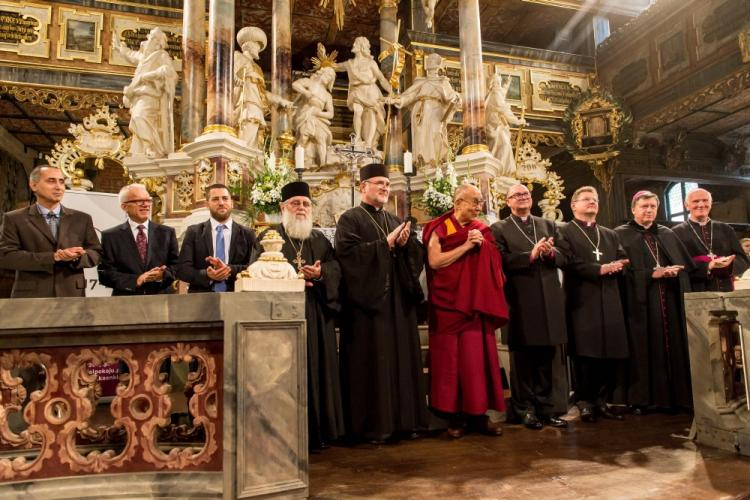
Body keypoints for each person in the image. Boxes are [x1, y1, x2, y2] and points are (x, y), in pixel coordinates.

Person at [335, 163, 427, 443]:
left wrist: (405, 244)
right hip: (369, 308)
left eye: (387, 185)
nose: (385, 188)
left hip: (398, 303)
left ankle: (405, 421)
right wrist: (383, 245)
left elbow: (414, 256)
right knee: (373, 363)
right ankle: (374, 426)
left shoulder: (392, 218)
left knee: (401, 360)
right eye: (379, 184)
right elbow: (346, 255)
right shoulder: (350, 219)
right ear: (362, 187)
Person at [251, 181, 344, 451]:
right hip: (281, 316)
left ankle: (319, 433)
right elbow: (255, 269)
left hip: (316, 313)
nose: (301, 208)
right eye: (295, 203)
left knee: (317, 371)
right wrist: (290, 278)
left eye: (305, 203)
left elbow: (336, 267)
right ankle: (282, 434)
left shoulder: (319, 239)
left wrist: (322, 273)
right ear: (283, 207)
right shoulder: (269, 238)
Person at [423, 183, 507, 438]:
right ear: (458, 202)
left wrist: (484, 247)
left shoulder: (481, 229)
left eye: (480, 202)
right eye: (474, 201)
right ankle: (455, 418)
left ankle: (479, 415)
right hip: (448, 306)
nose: (478, 207)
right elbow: (436, 261)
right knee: (450, 364)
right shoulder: (439, 226)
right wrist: (468, 247)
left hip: (474, 306)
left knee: (476, 361)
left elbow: (494, 261)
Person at [490, 183, 568, 430]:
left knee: (547, 357)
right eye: (516, 195)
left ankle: (547, 409)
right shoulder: (499, 228)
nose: (522, 198)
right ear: (507, 201)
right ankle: (525, 410)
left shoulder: (548, 225)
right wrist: (530, 255)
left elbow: (566, 255)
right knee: (523, 360)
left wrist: (551, 253)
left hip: (549, 299)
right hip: (520, 300)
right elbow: (498, 260)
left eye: (525, 194)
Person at [615, 191, 694, 412]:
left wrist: (677, 270)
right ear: (633, 209)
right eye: (644, 206)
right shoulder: (621, 234)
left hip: (669, 297)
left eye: (652, 206)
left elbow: (685, 265)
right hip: (640, 302)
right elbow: (622, 272)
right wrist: (651, 274)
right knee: (643, 347)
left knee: (674, 346)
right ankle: (643, 400)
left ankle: (678, 397)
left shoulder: (667, 233)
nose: (648, 210)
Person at [559, 186, 629, 423]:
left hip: (609, 299)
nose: (592, 203)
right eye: (586, 199)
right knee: (585, 354)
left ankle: (601, 400)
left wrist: (620, 265)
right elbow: (567, 261)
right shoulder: (565, 231)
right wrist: (599, 269)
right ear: (574, 205)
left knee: (608, 353)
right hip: (582, 299)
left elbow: (621, 256)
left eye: (595, 200)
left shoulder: (609, 234)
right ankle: (584, 401)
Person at [0, 165, 101, 298]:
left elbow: (96, 253)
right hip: (31, 296)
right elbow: (6, 256)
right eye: (51, 181)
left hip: (72, 294)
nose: (58, 187)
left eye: (61, 181)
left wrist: (77, 257)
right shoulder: (14, 218)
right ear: (34, 185)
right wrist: (53, 257)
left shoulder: (82, 219)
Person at [98, 183, 178, 295]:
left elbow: (177, 266)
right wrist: (137, 279)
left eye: (148, 200)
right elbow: (105, 274)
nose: (145, 205)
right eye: (139, 201)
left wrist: (163, 274)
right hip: (126, 300)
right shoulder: (110, 236)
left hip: (161, 299)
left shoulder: (167, 233)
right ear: (124, 206)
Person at [177, 184, 257, 293]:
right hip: (201, 299)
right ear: (207, 204)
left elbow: (255, 268)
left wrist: (229, 270)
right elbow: (183, 270)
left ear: (231, 203)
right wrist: (207, 274)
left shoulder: (248, 234)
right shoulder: (193, 232)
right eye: (215, 199)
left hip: (237, 298)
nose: (221, 203)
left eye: (225, 198)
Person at [112, 27, 177, 159]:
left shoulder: (161, 55)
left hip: (150, 95)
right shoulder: (144, 57)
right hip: (138, 95)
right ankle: (145, 147)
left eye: (151, 38)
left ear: (158, 43)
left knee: (139, 117)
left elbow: (170, 73)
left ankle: (149, 146)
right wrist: (119, 47)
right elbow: (131, 55)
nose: (147, 40)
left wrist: (146, 76)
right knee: (135, 120)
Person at [390, 53, 461, 167]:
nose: (429, 62)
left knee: (436, 133)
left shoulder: (443, 82)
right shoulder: (420, 81)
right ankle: (425, 162)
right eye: (429, 60)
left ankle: (436, 162)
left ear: (438, 64)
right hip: (421, 112)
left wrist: (456, 97)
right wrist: (397, 101)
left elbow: (451, 96)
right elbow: (409, 96)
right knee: (422, 136)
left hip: (436, 111)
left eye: (433, 60)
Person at [672, 188, 749, 292]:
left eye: (705, 200)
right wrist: (708, 266)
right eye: (695, 201)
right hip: (695, 290)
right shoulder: (676, 232)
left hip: (726, 288)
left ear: (711, 203)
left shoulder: (725, 229)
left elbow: (743, 259)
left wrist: (729, 265)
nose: (701, 205)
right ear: (686, 205)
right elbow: (677, 265)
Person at [233, 27, 294, 149]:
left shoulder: (258, 69)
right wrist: (236, 79)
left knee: (256, 144)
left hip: (256, 106)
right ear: (249, 45)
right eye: (257, 45)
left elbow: (262, 92)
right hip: (245, 104)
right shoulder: (238, 56)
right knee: (246, 140)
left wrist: (281, 100)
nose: (258, 49)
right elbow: (227, 75)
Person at [337, 37, 391, 149]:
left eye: (356, 43)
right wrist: (324, 63)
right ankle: (357, 138)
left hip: (370, 92)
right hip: (356, 91)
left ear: (362, 47)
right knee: (357, 111)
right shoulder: (349, 63)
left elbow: (381, 78)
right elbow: (335, 67)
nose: (353, 45)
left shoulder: (371, 63)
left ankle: (369, 143)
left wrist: (391, 91)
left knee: (372, 114)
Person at [292, 45, 336, 167]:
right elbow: (295, 84)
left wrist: (318, 113)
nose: (327, 79)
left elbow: (331, 114)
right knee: (304, 137)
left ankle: (323, 166)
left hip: (318, 118)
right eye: (327, 75)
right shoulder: (310, 83)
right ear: (322, 73)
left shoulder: (327, 96)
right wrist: (306, 92)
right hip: (306, 115)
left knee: (322, 139)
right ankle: (297, 165)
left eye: (330, 78)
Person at [485, 74, 526, 175]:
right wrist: (518, 121)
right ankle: (500, 170)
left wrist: (507, 84)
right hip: (494, 127)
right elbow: (504, 110)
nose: (498, 84)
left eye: (499, 82)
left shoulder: (495, 93)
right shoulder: (494, 95)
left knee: (504, 145)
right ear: (492, 84)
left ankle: (500, 170)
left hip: (498, 126)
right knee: (504, 145)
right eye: (496, 82)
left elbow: (502, 93)